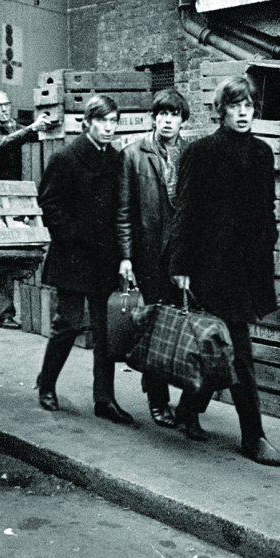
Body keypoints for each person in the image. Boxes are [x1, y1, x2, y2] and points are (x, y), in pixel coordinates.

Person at [167, 75, 280, 466]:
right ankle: (254, 436)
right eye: (235, 106)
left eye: (248, 106)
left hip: (248, 268)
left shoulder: (263, 153)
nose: (243, 113)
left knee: (218, 348)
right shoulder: (201, 153)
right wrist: (181, 265)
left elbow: (267, 209)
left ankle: (187, 409)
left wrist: (268, 246)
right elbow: (186, 212)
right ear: (221, 111)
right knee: (240, 353)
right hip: (211, 267)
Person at [35, 95, 134, 425]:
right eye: (102, 121)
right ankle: (46, 384)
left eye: (113, 121)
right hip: (72, 258)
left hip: (104, 259)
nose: (108, 127)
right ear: (88, 123)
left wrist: (123, 256)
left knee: (106, 332)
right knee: (69, 324)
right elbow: (49, 204)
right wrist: (70, 238)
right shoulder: (65, 158)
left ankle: (104, 399)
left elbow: (122, 210)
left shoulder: (116, 160)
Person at [116, 88, 192, 429]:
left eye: (174, 115)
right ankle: (158, 400)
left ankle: (187, 403)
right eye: (162, 114)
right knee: (155, 325)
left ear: (182, 119)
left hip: (181, 255)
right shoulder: (133, 154)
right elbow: (123, 211)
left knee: (184, 325)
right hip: (148, 255)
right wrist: (127, 257)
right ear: (154, 118)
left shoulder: (191, 153)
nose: (167, 121)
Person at [0, 90, 54, 329]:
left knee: (28, 249)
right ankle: (4, 313)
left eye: (6, 104)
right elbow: (2, 145)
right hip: (0, 200)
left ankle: (36, 311)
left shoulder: (17, 127)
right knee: (7, 252)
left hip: (25, 196)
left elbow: (29, 137)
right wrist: (33, 128)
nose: (4, 109)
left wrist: (44, 125)